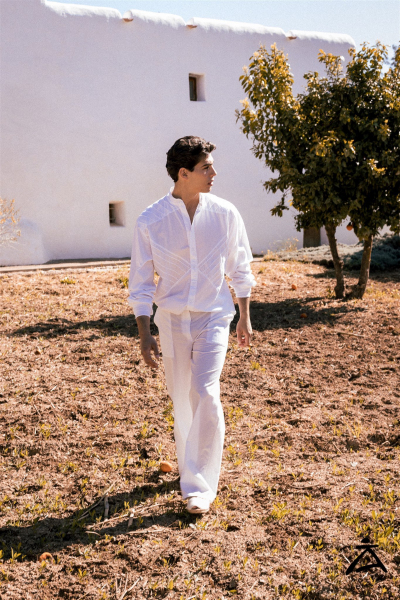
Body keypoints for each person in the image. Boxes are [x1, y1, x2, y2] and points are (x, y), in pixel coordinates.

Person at [128, 136, 255, 514]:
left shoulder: (225, 213)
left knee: (205, 390)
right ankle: (189, 465)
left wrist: (244, 315)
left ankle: (199, 486)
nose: (214, 173)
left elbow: (240, 267)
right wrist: (144, 333)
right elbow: (140, 284)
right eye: (206, 168)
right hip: (170, 320)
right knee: (181, 395)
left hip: (214, 316)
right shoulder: (150, 221)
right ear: (184, 173)